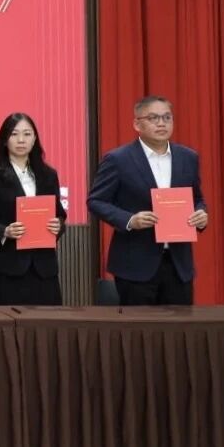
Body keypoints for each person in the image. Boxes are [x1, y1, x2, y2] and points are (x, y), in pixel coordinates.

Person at [87, 95, 209, 305]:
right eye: (153, 118)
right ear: (137, 124)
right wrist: (130, 220)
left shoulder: (188, 157)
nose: (161, 123)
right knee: (140, 326)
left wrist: (201, 213)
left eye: (167, 117)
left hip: (178, 265)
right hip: (135, 264)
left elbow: (197, 198)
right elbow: (96, 201)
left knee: (180, 325)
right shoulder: (118, 159)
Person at [0, 113, 66, 305]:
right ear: (4, 140)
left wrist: (58, 226)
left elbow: (60, 214)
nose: (21, 140)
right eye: (14, 134)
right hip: (7, 269)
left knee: (47, 322)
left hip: (44, 270)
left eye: (27, 134)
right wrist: (4, 231)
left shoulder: (48, 175)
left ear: (35, 139)